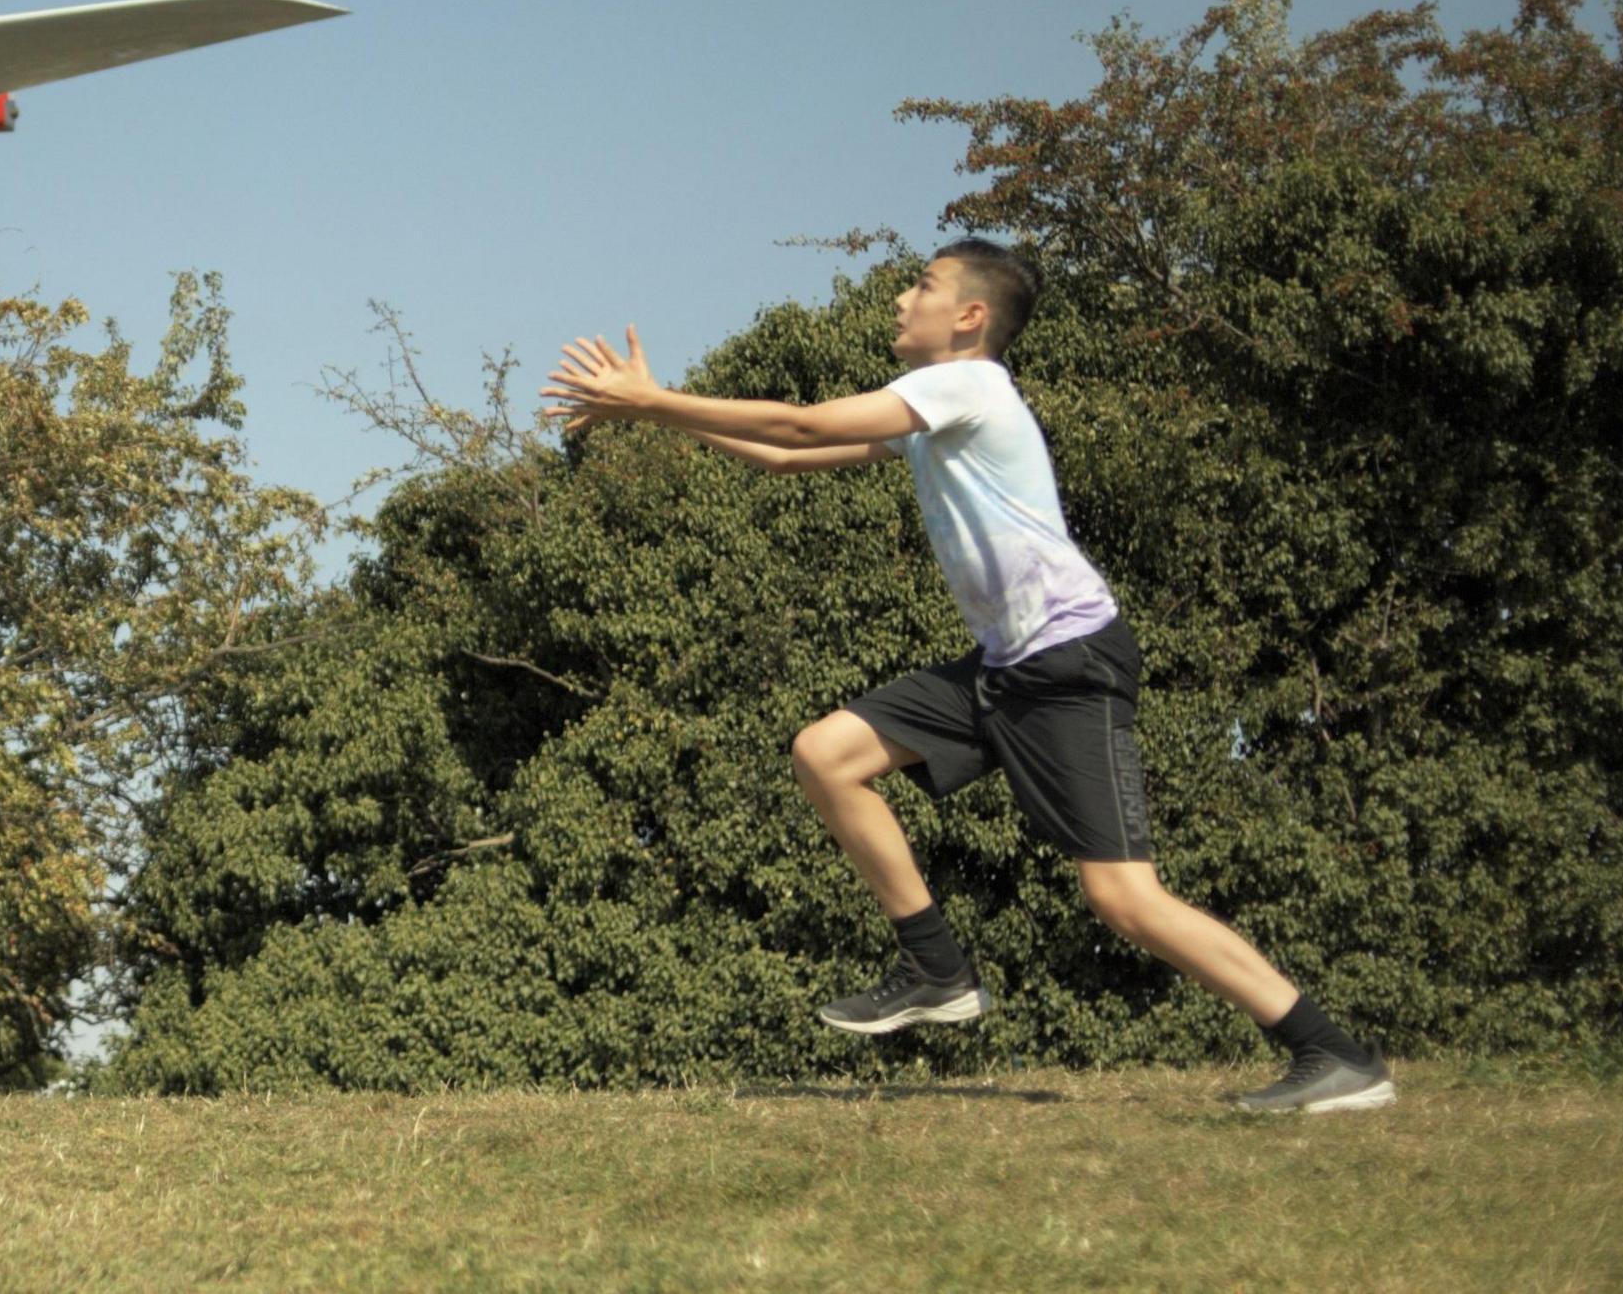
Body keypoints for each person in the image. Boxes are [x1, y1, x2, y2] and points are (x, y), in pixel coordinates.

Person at [542, 240, 1394, 1114]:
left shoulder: (970, 385)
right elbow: (788, 459)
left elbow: (798, 423)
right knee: (827, 753)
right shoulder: (936, 413)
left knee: (1123, 895)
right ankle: (936, 966)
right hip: (1002, 666)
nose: (903, 299)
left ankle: (1332, 1053)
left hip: (1067, 663)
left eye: (924, 285)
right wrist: (649, 416)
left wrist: (652, 396)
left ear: (970, 317)